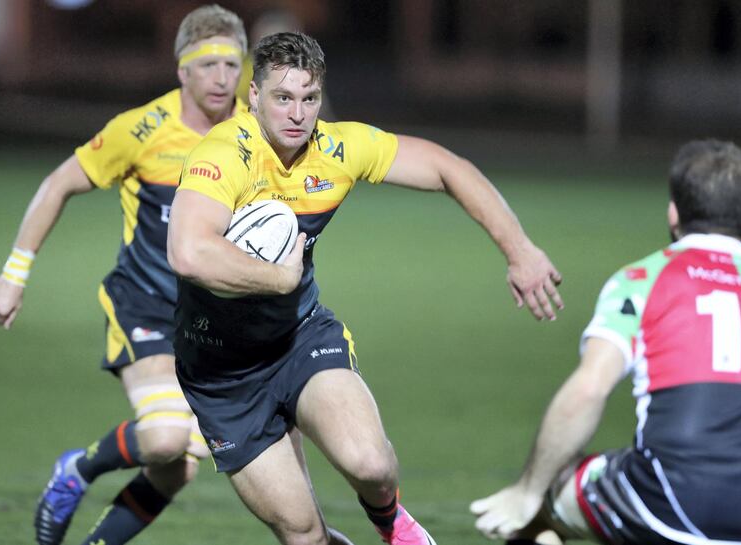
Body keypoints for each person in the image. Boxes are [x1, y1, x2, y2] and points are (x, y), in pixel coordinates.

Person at [168, 31, 563, 545]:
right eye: (282, 98)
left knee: (372, 464)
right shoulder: (224, 153)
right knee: (305, 535)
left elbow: (447, 167)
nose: (297, 113)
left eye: (309, 98)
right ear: (254, 98)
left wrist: (520, 251)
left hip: (297, 338)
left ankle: (393, 526)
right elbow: (188, 252)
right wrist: (279, 277)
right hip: (221, 372)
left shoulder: (337, 148)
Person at [0, 6, 249, 545]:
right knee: (168, 439)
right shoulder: (142, 129)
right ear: (181, 70)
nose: (221, 77)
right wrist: (14, 273)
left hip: (216, 322)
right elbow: (58, 183)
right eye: (208, 64)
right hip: (145, 304)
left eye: (232, 64)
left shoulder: (254, 131)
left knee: (174, 466)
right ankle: (77, 470)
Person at [471, 139, 741, 545]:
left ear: (673, 211)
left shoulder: (644, 279)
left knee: (547, 495)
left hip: (669, 502)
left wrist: (527, 491)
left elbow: (589, 390)